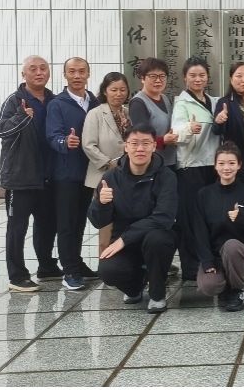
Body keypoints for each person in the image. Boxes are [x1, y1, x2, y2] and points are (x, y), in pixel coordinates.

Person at [88, 125, 179, 314]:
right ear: (126, 146)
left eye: (146, 143)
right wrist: (101, 203)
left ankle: (157, 294)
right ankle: (135, 288)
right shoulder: (111, 177)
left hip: (155, 238)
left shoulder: (166, 176)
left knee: (157, 239)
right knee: (107, 270)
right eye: (134, 143)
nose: (140, 149)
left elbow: (164, 217)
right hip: (125, 244)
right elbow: (97, 221)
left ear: (154, 146)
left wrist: (124, 238)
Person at [0, 55, 59, 292]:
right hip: (20, 176)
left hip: (47, 175)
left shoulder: (54, 100)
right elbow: (1, 130)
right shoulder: (15, 100)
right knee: (17, 227)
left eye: (43, 68)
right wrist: (22, 116)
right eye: (33, 69)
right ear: (24, 74)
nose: (39, 72)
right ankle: (17, 275)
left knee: (47, 223)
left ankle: (47, 266)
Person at [45, 57, 100, 291]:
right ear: (65, 75)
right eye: (72, 71)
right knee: (66, 223)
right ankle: (69, 271)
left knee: (79, 222)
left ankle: (76, 262)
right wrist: (64, 142)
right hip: (66, 174)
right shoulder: (57, 104)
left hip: (90, 172)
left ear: (88, 74)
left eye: (81, 71)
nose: (77, 76)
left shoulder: (95, 102)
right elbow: (52, 135)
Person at [190, 142, 244, 312]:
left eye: (231, 163)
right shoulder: (204, 195)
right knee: (208, 286)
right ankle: (227, 286)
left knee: (231, 246)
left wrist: (241, 218)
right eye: (221, 163)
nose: (226, 168)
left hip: (242, 254)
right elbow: (199, 232)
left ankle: (237, 290)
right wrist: (207, 261)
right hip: (216, 255)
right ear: (215, 165)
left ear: (239, 165)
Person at [172, 57, 220, 279]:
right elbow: (176, 133)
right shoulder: (181, 104)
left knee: (209, 216)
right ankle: (190, 267)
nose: (198, 79)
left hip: (213, 166)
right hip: (190, 167)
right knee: (190, 218)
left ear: (208, 77)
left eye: (201, 75)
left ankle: (209, 259)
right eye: (192, 75)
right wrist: (188, 128)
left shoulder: (214, 101)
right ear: (185, 78)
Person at [83, 72, 130, 256]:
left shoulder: (128, 112)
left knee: (125, 222)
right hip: (103, 177)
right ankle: (105, 261)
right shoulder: (95, 114)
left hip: (126, 177)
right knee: (106, 224)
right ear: (105, 91)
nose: (118, 94)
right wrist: (108, 163)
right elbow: (88, 145)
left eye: (122, 90)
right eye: (114, 90)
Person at [129, 58, 179, 169]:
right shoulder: (138, 103)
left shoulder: (165, 98)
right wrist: (163, 140)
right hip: (151, 163)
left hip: (170, 160)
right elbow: (141, 136)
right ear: (142, 78)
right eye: (153, 76)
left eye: (162, 76)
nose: (158, 80)